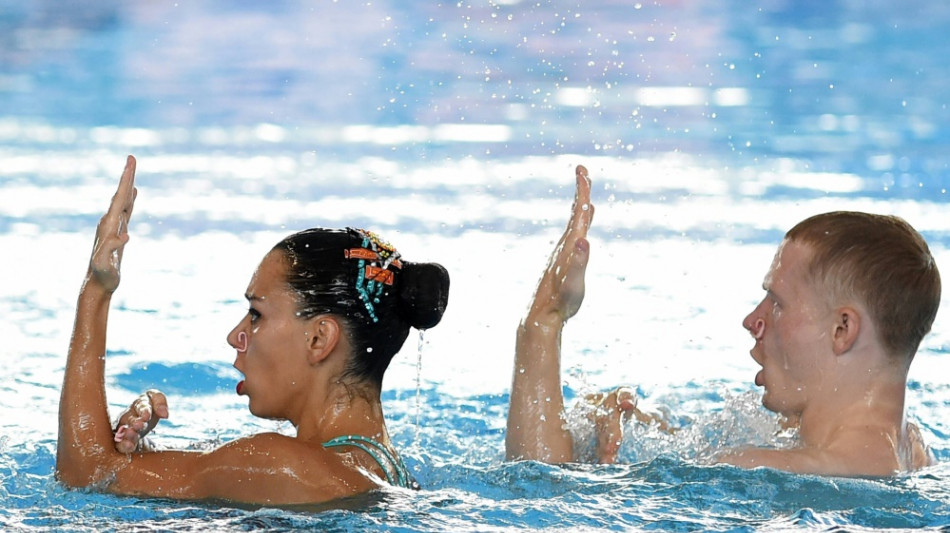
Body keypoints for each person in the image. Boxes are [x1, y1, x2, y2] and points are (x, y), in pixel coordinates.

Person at [57, 155, 450, 505]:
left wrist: (96, 288)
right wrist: (139, 448)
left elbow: (86, 473)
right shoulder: (382, 466)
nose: (235, 336)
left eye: (256, 314)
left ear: (319, 339)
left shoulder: (281, 466)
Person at [506, 165, 939, 476]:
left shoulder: (759, 469)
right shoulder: (914, 453)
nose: (753, 320)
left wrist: (543, 322)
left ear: (843, 330)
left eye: (777, 302)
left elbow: (545, 493)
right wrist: (642, 423)